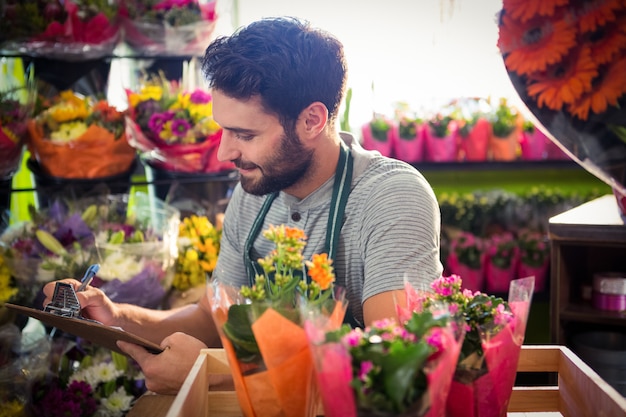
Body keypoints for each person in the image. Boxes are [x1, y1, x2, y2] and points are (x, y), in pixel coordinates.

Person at [43, 16, 443, 395]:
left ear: (312, 121)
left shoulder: (391, 197)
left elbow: (395, 367)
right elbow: (212, 320)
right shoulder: (256, 193)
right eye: (223, 130)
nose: (223, 152)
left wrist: (215, 375)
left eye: (244, 134)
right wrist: (117, 318)